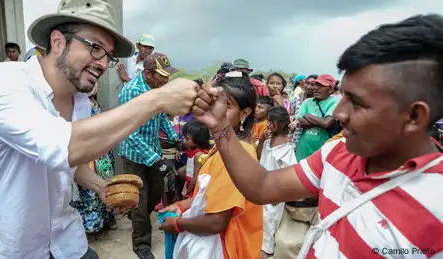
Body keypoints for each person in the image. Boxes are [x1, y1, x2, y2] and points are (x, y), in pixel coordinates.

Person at [192, 14, 443, 259]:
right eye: (343, 95)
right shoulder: (339, 151)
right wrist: (219, 126)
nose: (339, 113)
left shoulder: (436, 210)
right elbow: (262, 186)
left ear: (414, 116)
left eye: (357, 103)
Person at [0, 0, 198, 258]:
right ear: (58, 41)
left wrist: (100, 186)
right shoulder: (1, 82)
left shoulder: (80, 101)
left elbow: (72, 164)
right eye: (95, 47)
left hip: (66, 241)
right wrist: (157, 100)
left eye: (108, 55)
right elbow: (63, 147)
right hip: (12, 248)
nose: (103, 63)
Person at [160, 72, 263, 259]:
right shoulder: (221, 148)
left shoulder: (237, 155)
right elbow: (211, 196)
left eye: (226, 106)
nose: (214, 111)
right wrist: (182, 205)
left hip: (225, 248)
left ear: (245, 113)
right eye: (211, 104)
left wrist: (177, 224)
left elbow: (217, 222)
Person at [118, 52, 181, 259]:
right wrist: (155, 159)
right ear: (147, 74)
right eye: (162, 76)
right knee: (141, 202)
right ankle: (141, 245)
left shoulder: (156, 90)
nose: (166, 80)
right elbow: (129, 132)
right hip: (135, 156)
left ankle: (136, 214)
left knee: (155, 194)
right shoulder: (132, 92)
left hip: (153, 152)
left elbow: (161, 116)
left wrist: (174, 137)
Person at [74, 84, 117, 235]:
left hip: (99, 153)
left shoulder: (92, 103)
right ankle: (95, 223)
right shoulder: (82, 105)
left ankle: (101, 221)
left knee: (100, 186)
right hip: (90, 154)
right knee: (91, 188)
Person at [259, 106, 297, 259]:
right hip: (262, 192)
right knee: (262, 226)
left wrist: (278, 196)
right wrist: (261, 141)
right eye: (268, 121)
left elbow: (289, 176)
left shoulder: (287, 150)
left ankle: (266, 253)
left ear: (280, 124)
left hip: (274, 198)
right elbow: (258, 156)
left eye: (271, 122)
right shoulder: (268, 143)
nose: (268, 124)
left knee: (269, 227)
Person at [294, 74, 339, 161]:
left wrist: (307, 115)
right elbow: (300, 122)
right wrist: (320, 122)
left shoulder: (334, 102)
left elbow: (326, 123)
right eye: (316, 85)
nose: (316, 88)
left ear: (330, 89)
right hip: (302, 153)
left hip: (322, 155)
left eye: (321, 86)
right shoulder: (307, 102)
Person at [178, 119, 210, 198]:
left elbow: (195, 178)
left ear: (197, 139)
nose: (184, 141)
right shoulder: (192, 150)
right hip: (189, 184)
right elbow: (190, 172)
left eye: (187, 139)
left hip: (194, 188)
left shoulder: (198, 155)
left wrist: (187, 192)